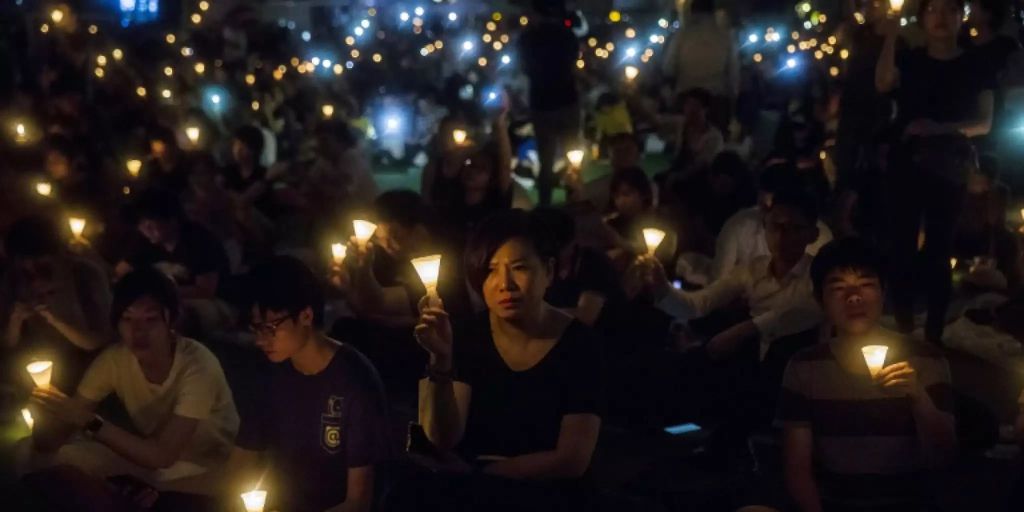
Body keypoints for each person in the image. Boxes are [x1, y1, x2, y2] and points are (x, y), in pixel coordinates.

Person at [408, 209, 603, 509]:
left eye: (520, 267)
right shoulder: (464, 335)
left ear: (548, 271)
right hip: (472, 492)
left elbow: (572, 459)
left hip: (546, 493)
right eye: (490, 270)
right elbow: (442, 439)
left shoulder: (579, 344)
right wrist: (441, 360)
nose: (505, 284)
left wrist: (484, 475)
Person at [23, 268, 239, 507]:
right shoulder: (114, 360)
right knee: (53, 457)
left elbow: (163, 455)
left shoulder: (198, 364)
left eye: (150, 319)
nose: (138, 331)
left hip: (209, 470)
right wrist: (47, 412)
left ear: (172, 321)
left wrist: (88, 421)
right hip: (155, 465)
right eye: (127, 318)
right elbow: (51, 441)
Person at [777, 238, 956, 511]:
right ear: (819, 299)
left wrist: (918, 396)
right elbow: (797, 469)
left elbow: (944, 456)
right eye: (838, 287)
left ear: (884, 292)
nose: (854, 297)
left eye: (866, 284)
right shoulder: (805, 367)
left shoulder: (926, 358)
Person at [226, 256, 391, 512]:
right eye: (255, 329)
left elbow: (358, 501)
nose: (261, 340)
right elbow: (241, 461)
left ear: (305, 315)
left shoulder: (354, 380)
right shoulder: (268, 372)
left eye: (269, 327)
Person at [876, 0, 995, 343]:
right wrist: (891, 33)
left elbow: (983, 123)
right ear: (923, 18)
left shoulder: (976, 63)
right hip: (907, 160)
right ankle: (902, 325)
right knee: (901, 242)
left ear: (961, 16)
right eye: (933, 10)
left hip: (949, 164)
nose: (941, 17)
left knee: (939, 246)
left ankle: (933, 334)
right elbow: (883, 83)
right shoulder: (911, 59)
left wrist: (938, 129)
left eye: (949, 10)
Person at [638, 188, 823, 363]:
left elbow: (802, 313)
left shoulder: (818, 273)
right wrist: (661, 286)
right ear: (765, 226)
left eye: (795, 228)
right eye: (776, 225)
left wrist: (744, 330)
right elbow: (699, 304)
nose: (783, 235)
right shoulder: (752, 270)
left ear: (813, 235)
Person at [1, 216, 112, 390]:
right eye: (26, 271)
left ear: (60, 255)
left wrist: (57, 320)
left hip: (88, 369)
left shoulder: (85, 275)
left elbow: (99, 340)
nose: (36, 280)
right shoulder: (13, 280)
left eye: (44, 268)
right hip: (32, 368)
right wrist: (15, 322)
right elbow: (7, 344)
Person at [118, 188, 233, 336]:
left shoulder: (199, 241)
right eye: (142, 224)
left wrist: (156, 291)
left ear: (172, 220)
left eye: (151, 224)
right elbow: (122, 270)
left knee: (173, 314)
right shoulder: (147, 243)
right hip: (164, 298)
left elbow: (205, 290)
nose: (145, 230)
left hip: (213, 302)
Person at [713, 164, 832, 281]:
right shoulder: (738, 226)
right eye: (763, 207)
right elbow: (719, 281)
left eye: (773, 207)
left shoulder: (820, 237)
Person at [520, 0, 581, 206]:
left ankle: (544, 204)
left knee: (545, 158)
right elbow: (573, 63)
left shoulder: (528, 39)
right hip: (567, 100)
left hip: (542, 102)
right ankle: (574, 200)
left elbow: (525, 69)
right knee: (572, 154)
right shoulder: (567, 36)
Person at [662, 0, 739, 131]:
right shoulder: (726, 36)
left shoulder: (682, 35)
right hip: (716, 100)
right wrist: (733, 98)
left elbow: (668, 67)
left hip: (686, 98)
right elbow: (733, 72)